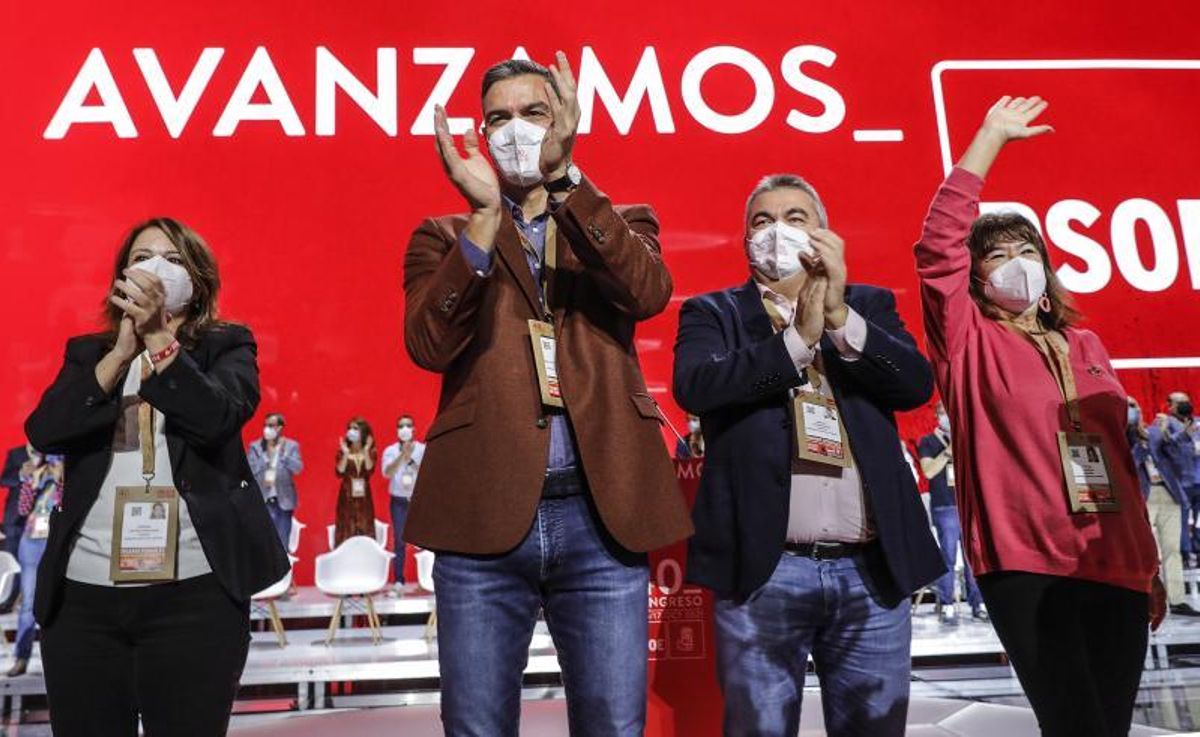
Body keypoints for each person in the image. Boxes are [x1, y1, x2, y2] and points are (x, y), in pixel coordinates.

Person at [404, 54, 692, 736]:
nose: (516, 131)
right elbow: (429, 344)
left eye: (534, 113)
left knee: (614, 726)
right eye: (499, 117)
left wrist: (565, 180)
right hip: (481, 515)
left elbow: (646, 292)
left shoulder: (619, 220)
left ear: (564, 120)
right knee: (476, 727)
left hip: (599, 514)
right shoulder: (441, 235)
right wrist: (480, 219)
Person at [914, 96, 1163, 737]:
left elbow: (1122, 465)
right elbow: (938, 243)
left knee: (1110, 727)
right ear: (974, 278)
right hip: (1027, 563)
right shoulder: (968, 339)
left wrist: (1150, 565)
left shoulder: (1086, 345)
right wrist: (989, 140)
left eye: (1025, 249)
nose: (1014, 263)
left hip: (1117, 563)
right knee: (1074, 727)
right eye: (995, 255)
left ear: (1048, 270)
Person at [674, 171, 943, 737]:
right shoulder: (714, 313)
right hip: (766, 572)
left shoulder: (869, 305)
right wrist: (797, 341)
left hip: (870, 570)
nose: (777, 231)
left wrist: (839, 318)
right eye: (762, 221)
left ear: (824, 234)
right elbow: (697, 388)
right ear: (745, 240)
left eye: (795, 218)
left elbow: (916, 384)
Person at [24, 217, 289, 736]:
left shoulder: (227, 347)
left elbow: (217, 417)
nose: (155, 269)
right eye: (142, 257)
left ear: (198, 280)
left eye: (172, 260)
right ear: (121, 278)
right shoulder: (89, 353)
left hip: (194, 593)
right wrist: (123, 351)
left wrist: (160, 341)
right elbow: (47, 430)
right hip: (84, 596)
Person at [918, 401, 986, 623]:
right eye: (943, 414)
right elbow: (928, 472)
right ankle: (947, 603)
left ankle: (978, 603)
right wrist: (948, 453)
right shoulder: (928, 442)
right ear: (938, 416)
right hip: (945, 506)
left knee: (972, 558)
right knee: (948, 555)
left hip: (967, 505)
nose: (947, 418)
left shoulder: (963, 439)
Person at [1136, 397, 1198, 615]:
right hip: (1143, 496)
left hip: (1168, 492)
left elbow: (1176, 450)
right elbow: (1130, 463)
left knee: (1172, 549)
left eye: (1135, 406)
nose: (1133, 411)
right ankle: (1147, 599)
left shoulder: (1154, 431)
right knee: (1146, 551)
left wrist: (1181, 432)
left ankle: (1177, 599)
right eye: (1128, 407)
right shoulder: (1124, 437)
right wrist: (1140, 446)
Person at [6, 453, 62, 677]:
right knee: (28, 603)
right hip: (31, 541)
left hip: (56, 542)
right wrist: (31, 480)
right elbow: (22, 508)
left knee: (59, 602)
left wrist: (60, 479)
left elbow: (67, 504)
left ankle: (58, 660)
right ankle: (22, 657)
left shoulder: (67, 471)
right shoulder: (37, 472)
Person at [247, 412, 304, 550]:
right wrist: (267, 455)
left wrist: (283, 453)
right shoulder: (256, 446)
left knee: (282, 543)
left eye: (271, 426)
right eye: (265, 425)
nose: (267, 429)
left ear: (279, 428)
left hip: (283, 500)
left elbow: (297, 468)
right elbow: (250, 468)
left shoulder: (291, 446)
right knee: (263, 543)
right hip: (263, 500)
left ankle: (283, 571)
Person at [381, 414, 424, 594]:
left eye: (408, 425)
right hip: (398, 501)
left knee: (425, 541)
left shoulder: (422, 449)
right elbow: (387, 473)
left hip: (418, 500)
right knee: (399, 541)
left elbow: (426, 473)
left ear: (414, 429)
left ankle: (426, 580)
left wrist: (411, 459)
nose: (404, 429)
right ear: (397, 430)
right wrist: (401, 456)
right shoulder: (390, 450)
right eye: (401, 426)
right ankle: (398, 580)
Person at [1157, 392, 1198, 563]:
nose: (1183, 405)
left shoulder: (1197, 422)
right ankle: (1184, 555)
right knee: (1181, 520)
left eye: (1186, 402)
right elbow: (1164, 445)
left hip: (1198, 478)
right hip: (1179, 481)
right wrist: (1183, 434)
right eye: (1179, 403)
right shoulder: (1165, 423)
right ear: (1170, 405)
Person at [334, 417, 376, 545]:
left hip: (364, 497)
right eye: (350, 428)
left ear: (362, 432)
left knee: (364, 524)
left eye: (355, 429)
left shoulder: (370, 451)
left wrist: (366, 450)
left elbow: (370, 469)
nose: (351, 431)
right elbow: (339, 472)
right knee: (347, 525)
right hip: (347, 495)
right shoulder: (343, 450)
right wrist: (346, 453)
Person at [0, 443, 32, 611]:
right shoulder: (16, 453)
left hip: (38, 521)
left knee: (32, 565)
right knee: (11, 562)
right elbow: (4, 479)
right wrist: (21, 474)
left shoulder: (51, 455)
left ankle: (27, 601)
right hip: (14, 519)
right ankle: (7, 602)